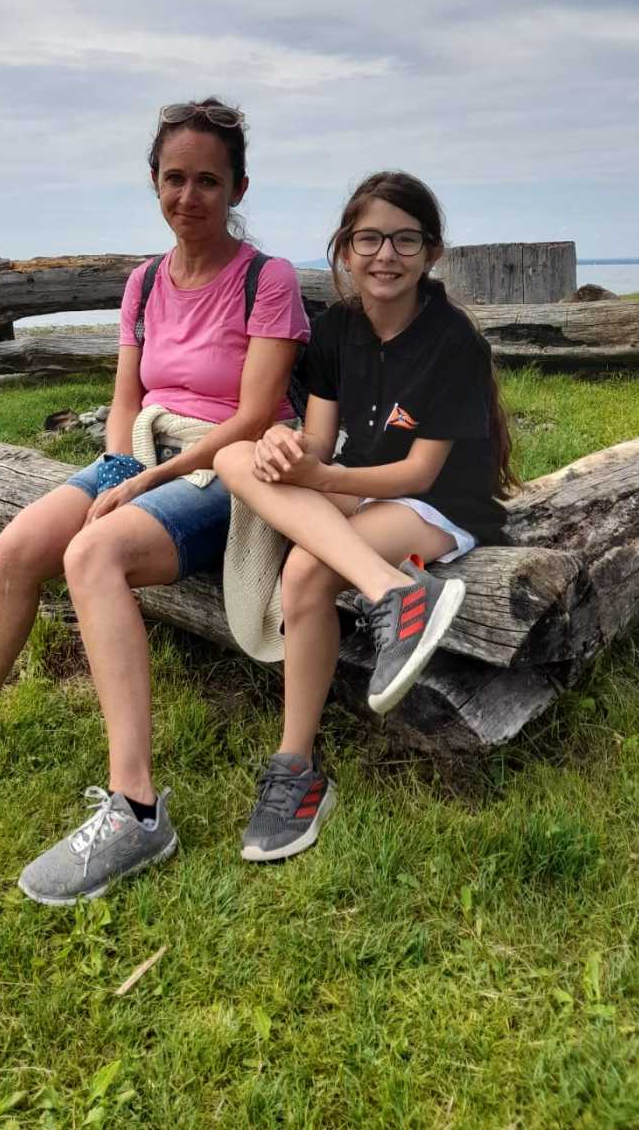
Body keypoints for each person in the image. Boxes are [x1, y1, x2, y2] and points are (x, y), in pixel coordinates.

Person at [0, 99, 310, 904]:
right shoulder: (144, 283)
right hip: (145, 449)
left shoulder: (265, 280)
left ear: (238, 188)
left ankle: (136, 810)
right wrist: (117, 468)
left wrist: (144, 485)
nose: (188, 197)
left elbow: (253, 416)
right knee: (18, 546)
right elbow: (127, 398)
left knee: (92, 554)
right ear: (154, 182)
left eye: (208, 181)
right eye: (174, 178)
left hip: (230, 468)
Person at [215, 170, 515, 863]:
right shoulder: (335, 330)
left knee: (306, 571)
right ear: (345, 249)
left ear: (432, 252)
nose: (386, 255)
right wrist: (285, 448)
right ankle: (395, 593)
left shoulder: (453, 341)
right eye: (370, 239)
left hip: (439, 505)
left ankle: (295, 768)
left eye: (405, 240)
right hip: (361, 486)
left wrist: (322, 478)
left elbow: (419, 475)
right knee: (236, 456)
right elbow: (319, 445)